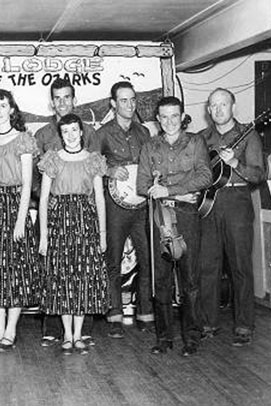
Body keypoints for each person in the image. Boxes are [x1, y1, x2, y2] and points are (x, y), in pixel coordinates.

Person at [137, 96, 212, 357]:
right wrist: (174, 193)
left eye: (174, 116)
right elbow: (141, 185)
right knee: (162, 280)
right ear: (158, 119)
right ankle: (164, 338)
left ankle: (192, 337)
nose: (169, 121)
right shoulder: (149, 146)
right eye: (164, 116)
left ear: (182, 117)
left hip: (188, 216)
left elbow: (205, 176)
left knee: (190, 279)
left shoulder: (196, 142)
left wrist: (171, 190)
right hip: (158, 219)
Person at [198, 88, 266, 346]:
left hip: (237, 201)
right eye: (213, 106)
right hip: (209, 204)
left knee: (240, 266)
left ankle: (244, 325)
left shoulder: (249, 136)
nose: (218, 110)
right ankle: (208, 322)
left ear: (233, 106)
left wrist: (236, 164)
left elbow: (258, 175)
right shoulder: (203, 138)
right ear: (208, 110)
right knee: (208, 265)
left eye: (223, 104)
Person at [0, 88, 39, 352]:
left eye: (3, 105)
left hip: (15, 206)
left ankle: (11, 330)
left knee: (15, 271)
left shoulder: (23, 140)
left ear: (12, 109)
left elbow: (26, 184)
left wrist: (21, 220)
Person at [37, 114, 108, 355]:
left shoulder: (93, 160)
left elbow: (99, 198)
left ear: (82, 132)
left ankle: (79, 334)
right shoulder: (52, 160)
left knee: (83, 278)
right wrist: (44, 235)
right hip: (60, 223)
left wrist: (102, 234)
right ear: (61, 134)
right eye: (65, 131)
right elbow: (45, 199)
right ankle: (67, 334)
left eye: (74, 130)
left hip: (85, 223)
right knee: (62, 279)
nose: (70, 135)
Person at [34, 78, 98, 347]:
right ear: (52, 102)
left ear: (74, 99)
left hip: (83, 214)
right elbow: (39, 181)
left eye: (66, 97)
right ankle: (55, 330)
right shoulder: (42, 135)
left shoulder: (89, 133)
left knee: (82, 271)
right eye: (57, 98)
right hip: (55, 211)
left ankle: (81, 331)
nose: (62, 102)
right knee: (56, 271)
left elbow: (93, 175)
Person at [95, 81, 154, 338]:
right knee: (113, 261)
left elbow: (153, 164)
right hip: (114, 206)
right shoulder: (103, 133)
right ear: (113, 104)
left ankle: (145, 312)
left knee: (147, 258)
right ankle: (115, 314)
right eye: (124, 101)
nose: (129, 105)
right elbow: (90, 164)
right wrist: (109, 170)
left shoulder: (144, 133)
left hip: (141, 206)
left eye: (132, 100)